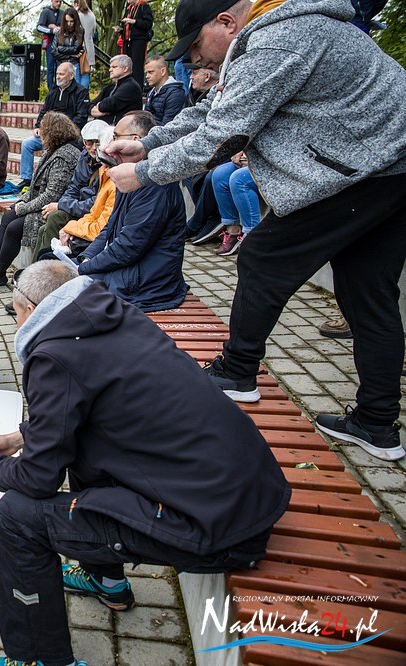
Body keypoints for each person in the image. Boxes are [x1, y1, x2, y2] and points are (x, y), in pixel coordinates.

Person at [105, 0, 406, 462]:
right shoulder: (270, 38)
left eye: (196, 45)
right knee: (369, 294)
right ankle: (377, 423)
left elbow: (221, 137)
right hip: (387, 169)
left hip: (364, 171)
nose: (194, 59)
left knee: (261, 257)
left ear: (226, 22)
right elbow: (211, 111)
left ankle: (237, 372)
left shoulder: (278, 41)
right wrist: (146, 143)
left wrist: (143, 173)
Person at [0, 260, 291, 666]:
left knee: (16, 516)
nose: (16, 323)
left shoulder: (53, 353)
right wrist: (21, 437)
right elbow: (84, 411)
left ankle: (38, 659)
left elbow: (38, 479)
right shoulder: (114, 316)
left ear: (31, 310)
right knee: (85, 448)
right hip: (246, 493)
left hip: (216, 527)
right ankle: (106, 580)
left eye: (14, 313)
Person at [76, 111, 188, 313]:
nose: (111, 142)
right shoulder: (131, 173)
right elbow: (110, 226)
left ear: (135, 140)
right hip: (131, 270)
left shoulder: (155, 184)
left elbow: (129, 246)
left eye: (116, 137)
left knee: (70, 292)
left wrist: (83, 268)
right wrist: (85, 258)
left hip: (146, 283)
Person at [0, 112, 82, 286]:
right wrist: (22, 200)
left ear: (52, 132)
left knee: (14, 228)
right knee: (9, 216)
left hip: (54, 209)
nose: (38, 133)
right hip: (43, 204)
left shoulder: (65, 156)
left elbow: (52, 195)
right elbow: (35, 185)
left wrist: (25, 208)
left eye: (42, 129)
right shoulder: (53, 150)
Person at [34, 119, 111, 257]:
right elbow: (73, 187)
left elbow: (96, 203)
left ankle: (52, 265)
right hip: (79, 208)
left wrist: (62, 205)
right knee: (42, 228)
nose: (94, 147)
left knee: (55, 217)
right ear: (84, 142)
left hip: (89, 213)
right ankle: (35, 269)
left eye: (98, 142)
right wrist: (63, 203)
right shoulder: (84, 156)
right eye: (89, 142)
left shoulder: (106, 165)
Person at [16, 62, 90, 188]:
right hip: (49, 134)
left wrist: (64, 133)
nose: (58, 77)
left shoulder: (81, 92)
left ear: (71, 76)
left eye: (62, 74)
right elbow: (44, 111)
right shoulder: (53, 91)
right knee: (27, 144)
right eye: (57, 74)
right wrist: (38, 126)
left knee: (49, 148)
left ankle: (45, 182)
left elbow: (81, 117)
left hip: (70, 137)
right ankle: (27, 179)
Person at [210, 152, 261, 256]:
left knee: (239, 179)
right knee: (219, 174)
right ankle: (234, 231)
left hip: (274, 161)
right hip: (254, 158)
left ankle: (252, 239)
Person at [89, 54, 143, 125]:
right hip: (104, 127)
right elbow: (89, 106)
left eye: (114, 67)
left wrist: (99, 106)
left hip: (123, 128)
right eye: (110, 67)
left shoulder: (131, 87)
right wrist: (96, 110)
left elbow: (106, 105)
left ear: (125, 69)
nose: (110, 70)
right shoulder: (110, 87)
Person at [119, 0, 154, 87]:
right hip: (127, 41)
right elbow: (125, 25)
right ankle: (126, 87)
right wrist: (120, 30)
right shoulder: (128, 8)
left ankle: (137, 89)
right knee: (126, 66)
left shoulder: (144, 6)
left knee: (137, 67)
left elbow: (148, 24)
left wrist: (134, 21)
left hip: (138, 41)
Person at [144, 55, 186, 126]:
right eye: (146, 73)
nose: (147, 76)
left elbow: (167, 126)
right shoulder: (151, 92)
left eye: (150, 72)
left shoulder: (175, 94)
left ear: (163, 71)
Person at [37, 0, 65, 91]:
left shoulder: (62, 13)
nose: (59, 3)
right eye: (57, 1)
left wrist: (59, 29)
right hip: (50, 43)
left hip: (61, 44)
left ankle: (59, 89)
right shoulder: (46, 12)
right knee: (51, 68)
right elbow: (39, 27)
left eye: (60, 1)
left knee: (60, 67)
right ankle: (51, 91)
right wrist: (51, 30)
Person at [51, 8, 86, 75]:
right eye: (67, 21)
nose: (69, 24)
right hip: (61, 65)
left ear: (75, 21)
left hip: (74, 65)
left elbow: (76, 49)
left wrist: (60, 49)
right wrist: (71, 55)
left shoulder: (80, 31)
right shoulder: (59, 33)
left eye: (71, 21)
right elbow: (53, 52)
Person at [76, 0, 97, 89]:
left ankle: (76, 94)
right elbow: (94, 31)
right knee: (85, 71)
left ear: (77, 4)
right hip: (89, 46)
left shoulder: (77, 14)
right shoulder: (92, 15)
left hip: (79, 45)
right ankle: (83, 93)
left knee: (76, 72)